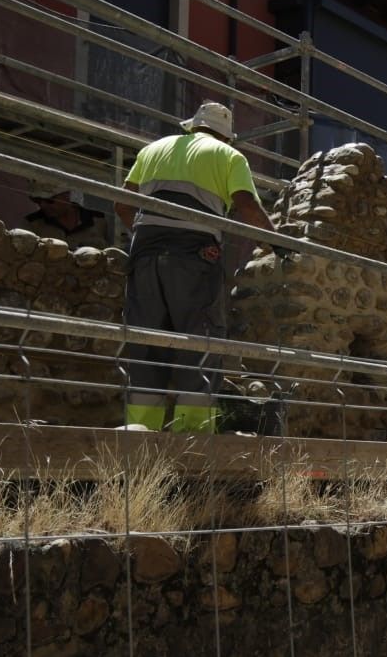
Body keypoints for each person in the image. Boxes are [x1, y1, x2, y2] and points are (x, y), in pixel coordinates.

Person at [114, 101, 276, 433]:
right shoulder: (228, 156)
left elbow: (122, 204)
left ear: (193, 127)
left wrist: (149, 236)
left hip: (144, 256)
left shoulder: (153, 149)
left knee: (145, 344)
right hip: (195, 259)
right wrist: (279, 244)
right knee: (199, 343)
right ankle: (193, 443)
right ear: (226, 136)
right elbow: (246, 203)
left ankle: (138, 440)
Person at [24, 182, 109, 250]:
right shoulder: (31, 225)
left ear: (66, 194)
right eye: (37, 201)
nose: (43, 205)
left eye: (49, 200)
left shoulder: (99, 221)